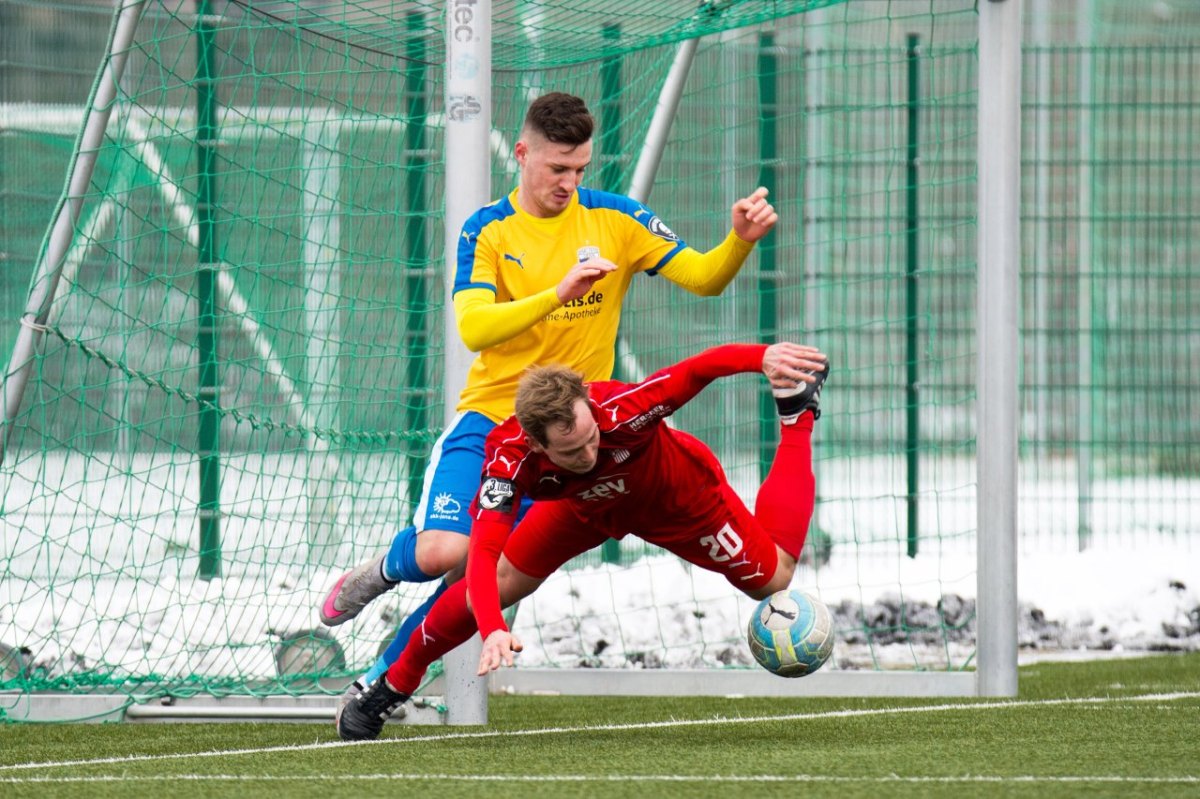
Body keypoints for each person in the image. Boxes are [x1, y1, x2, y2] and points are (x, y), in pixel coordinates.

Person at [318, 92, 780, 686]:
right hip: (491, 419)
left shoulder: (618, 220)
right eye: (557, 168)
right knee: (441, 554)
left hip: (570, 438)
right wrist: (558, 293)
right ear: (522, 154)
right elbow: (474, 326)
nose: (569, 182)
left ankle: (379, 682)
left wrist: (737, 240)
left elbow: (704, 278)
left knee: (477, 581)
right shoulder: (486, 229)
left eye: (580, 169)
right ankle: (384, 569)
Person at [335, 340, 829, 740]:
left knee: (776, 579)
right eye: (572, 450)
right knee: (494, 581)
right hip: (582, 512)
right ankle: (389, 688)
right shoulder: (509, 460)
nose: (591, 451)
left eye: (592, 436)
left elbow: (698, 369)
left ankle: (796, 415)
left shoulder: (623, 407)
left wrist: (761, 357)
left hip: (679, 500)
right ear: (536, 442)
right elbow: (484, 555)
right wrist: (493, 630)